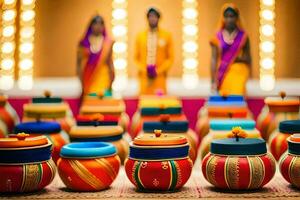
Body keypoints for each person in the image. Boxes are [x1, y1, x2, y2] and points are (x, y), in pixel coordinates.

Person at [210, 3, 251, 96]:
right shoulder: (217, 36)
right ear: (223, 18)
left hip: (239, 71)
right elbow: (213, 59)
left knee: (237, 96)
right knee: (225, 98)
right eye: (227, 16)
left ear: (237, 18)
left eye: (232, 16)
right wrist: (212, 81)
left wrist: (234, 60)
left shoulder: (243, 36)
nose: (229, 19)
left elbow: (248, 58)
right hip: (223, 73)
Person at [134, 7, 174, 95]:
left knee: (159, 103)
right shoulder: (140, 36)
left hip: (160, 78)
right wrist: (145, 71)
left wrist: (158, 71)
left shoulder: (166, 35)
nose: (152, 18)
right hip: (144, 78)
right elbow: (136, 58)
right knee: (144, 103)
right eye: (150, 16)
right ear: (147, 18)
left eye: (155, 16)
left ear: (159, 18)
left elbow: (170, 58)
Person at [77, 15, 114, 96]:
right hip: (88, 78)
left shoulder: (107, 43)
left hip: (103, 78)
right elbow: (79, 65)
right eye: (95, 23)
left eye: (101, 24)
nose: (98, 26)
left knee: (103, 101)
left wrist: (111, 81)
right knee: (90, 102)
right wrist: (81, 83)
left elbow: (110, 63)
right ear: (91, 26)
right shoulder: (83, 43)